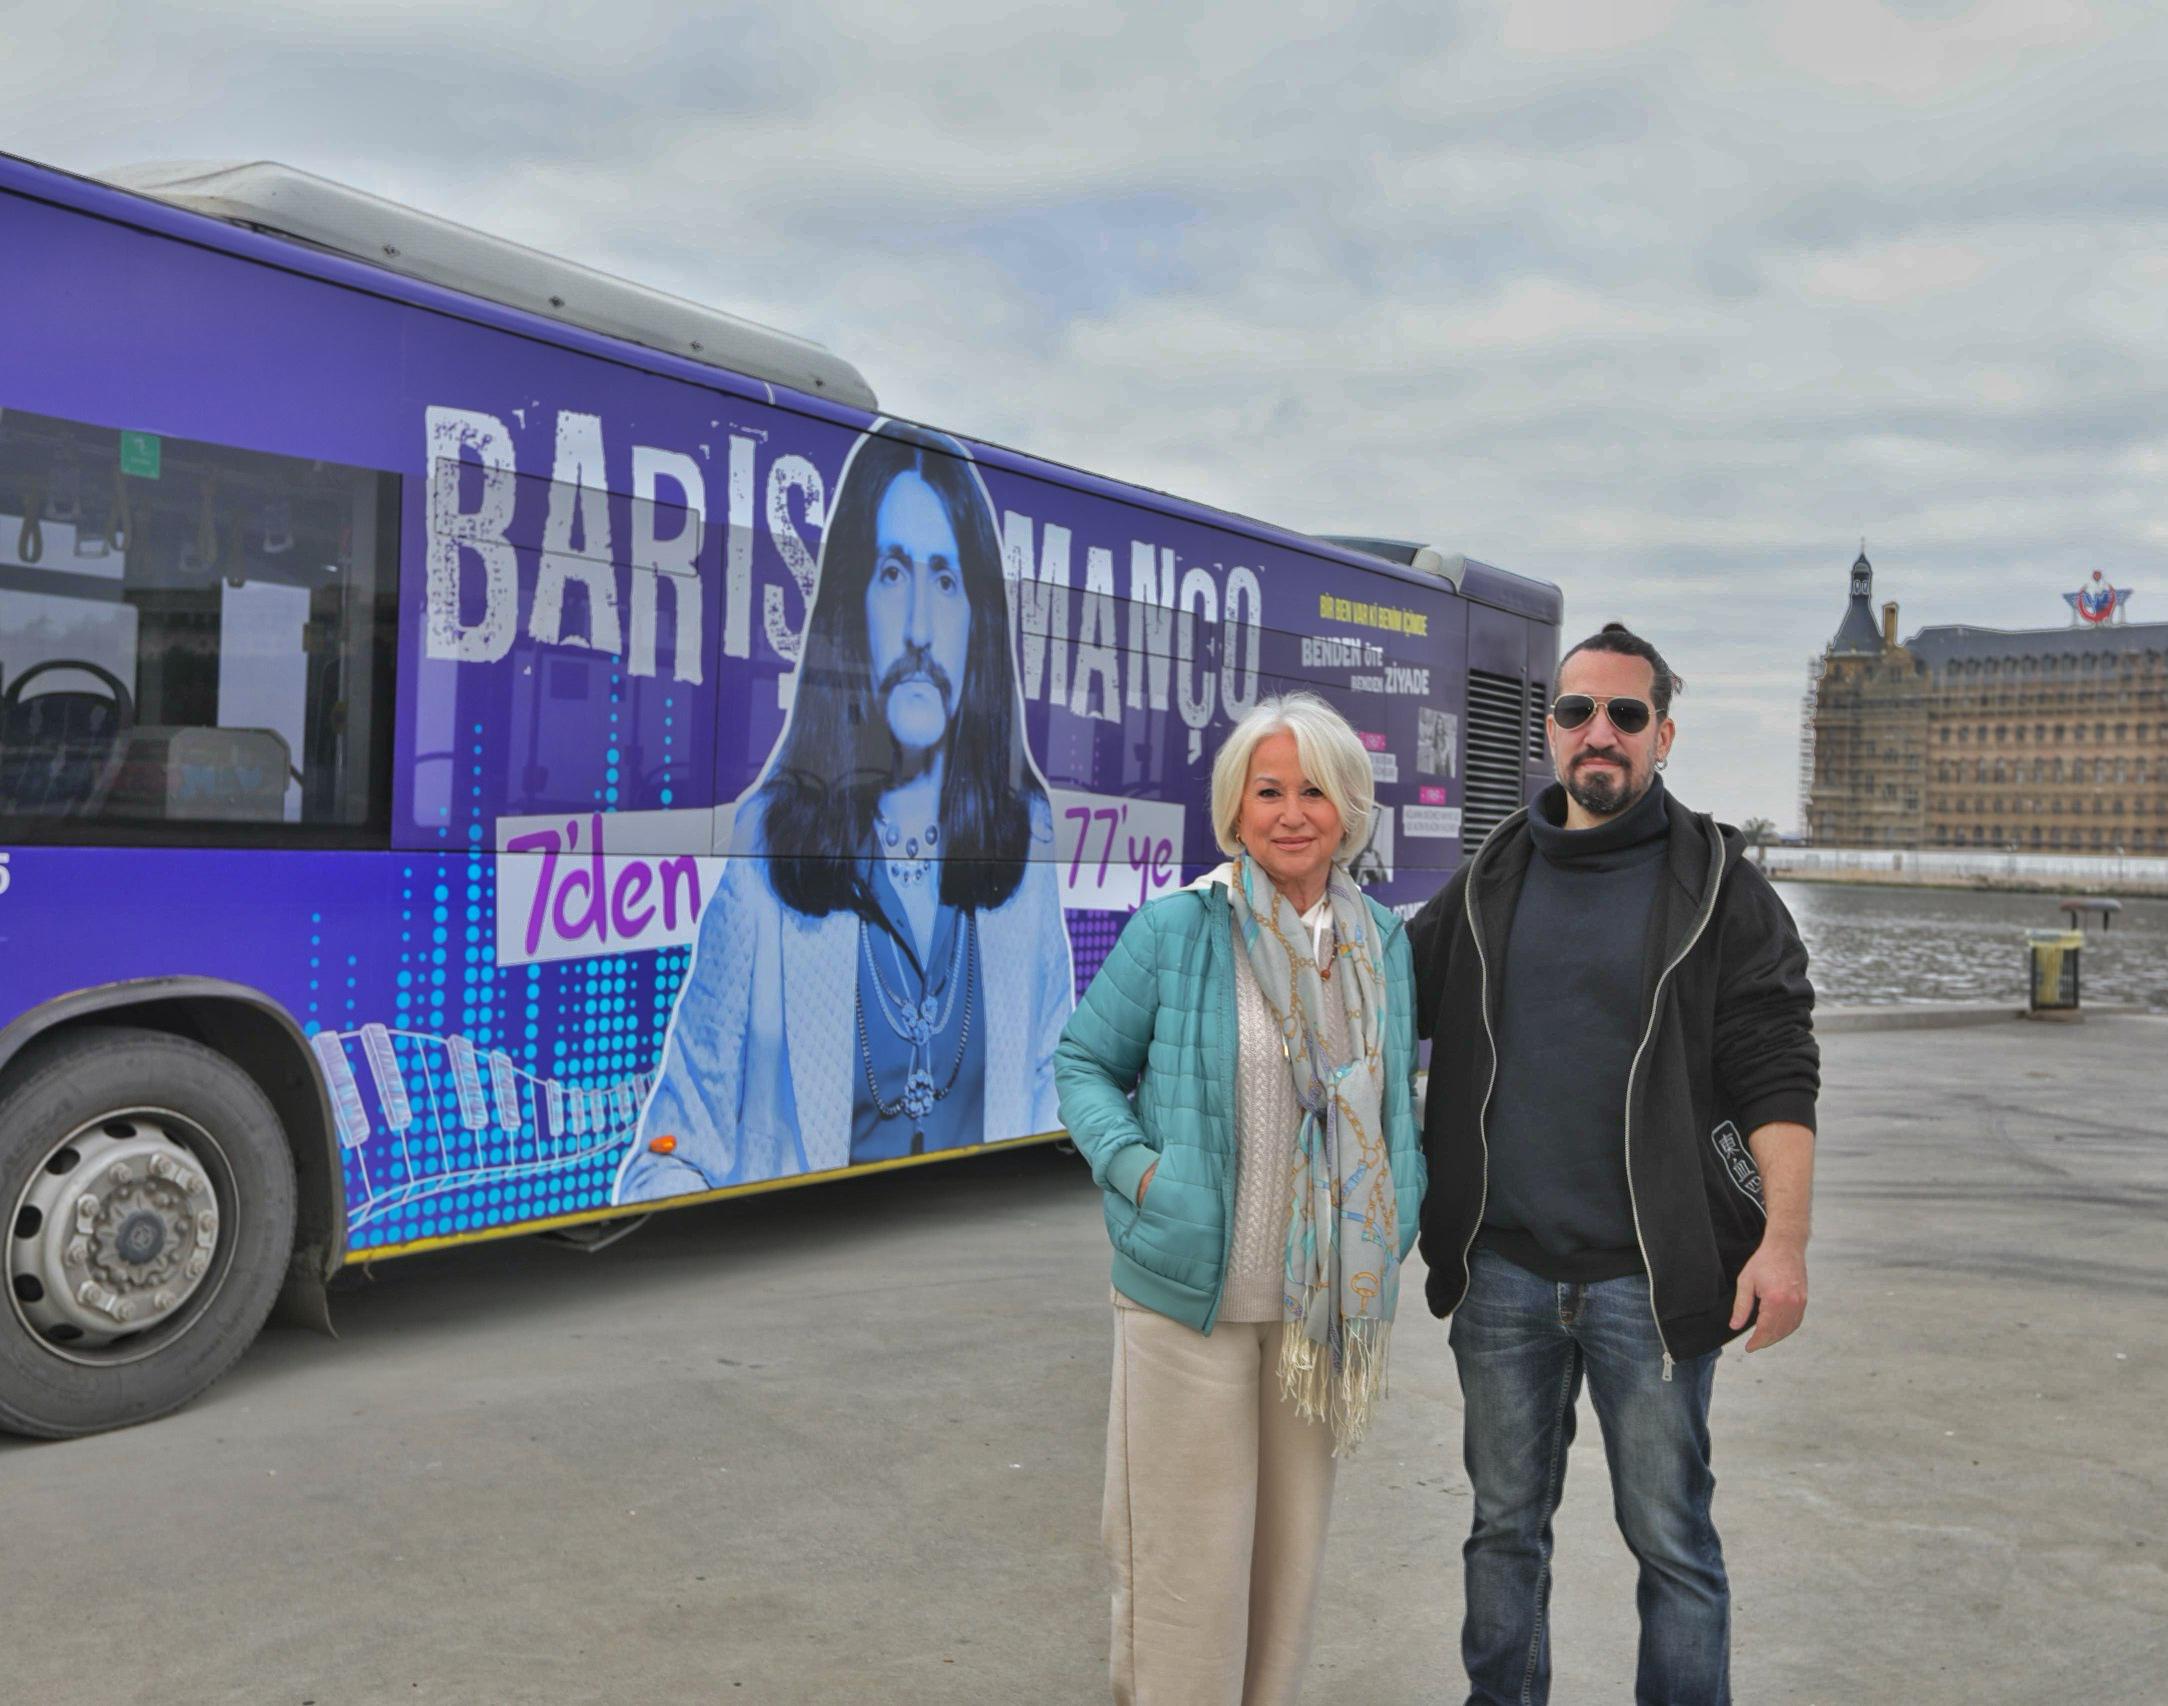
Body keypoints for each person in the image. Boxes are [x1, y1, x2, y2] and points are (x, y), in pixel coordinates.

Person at [1409, 623, 1819, 1705]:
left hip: (1653, 1277)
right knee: (1501, 1529)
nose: (1600, 733)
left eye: (1625, 715)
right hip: (1499, 1272)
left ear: (1663, 734)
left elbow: (1778, 1072)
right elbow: (1371, 995)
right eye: (1576, 711)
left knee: (1671, 1542)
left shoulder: (1721, 890)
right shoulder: (1490, 875)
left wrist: (1782, 1243)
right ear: (1548, 731)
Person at [1055, 691, 1425, 1705]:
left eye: (1313, 789)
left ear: (1348, 807)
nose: (1291, 812)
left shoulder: (1379, 941)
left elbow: (1392, 1104)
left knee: (1285, 1563)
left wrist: (1400, 1213)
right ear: (1234, 805)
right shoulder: (1178, 927)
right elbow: (1083, 1062)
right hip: (1186, 1296)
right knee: (1184, 1558)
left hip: (1318, 1309)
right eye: (1268, 790)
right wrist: (1141, 1175)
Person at [615, 421, 1072, 1202]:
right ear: (850, 608)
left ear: (978, 627)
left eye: (948, 580)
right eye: (893, 574)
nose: (921, 629)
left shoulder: (1024, 838)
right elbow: (669, 1156)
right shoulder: (771, 846)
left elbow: (1052, 1093)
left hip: (987, 1284)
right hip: (824, 1299)